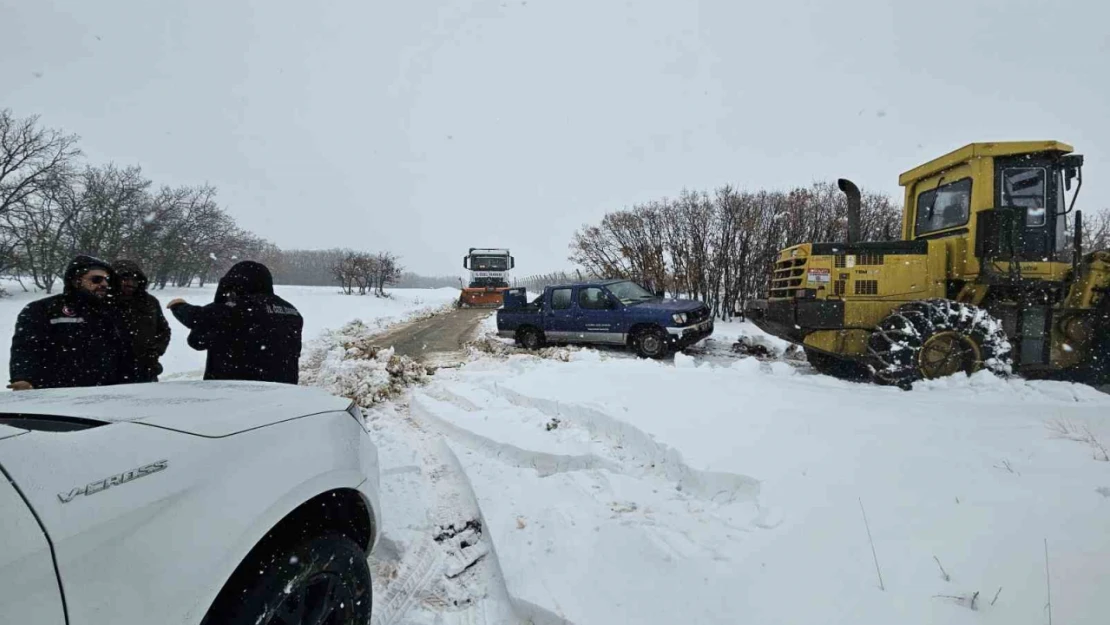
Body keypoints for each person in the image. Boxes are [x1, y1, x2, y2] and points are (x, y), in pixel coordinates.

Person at [8, 255, 134, 390]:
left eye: (106, 280)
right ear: (76, 281)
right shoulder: (43, 309)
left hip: (104, 394)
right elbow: (26, 348)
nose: (104, 284)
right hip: (56, 394)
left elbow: (124, 352)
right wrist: (23, 378)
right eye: (96, 279)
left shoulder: (112, 312)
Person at [167, 261, 303, 384]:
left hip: (237, 391)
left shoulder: (238, 307)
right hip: (284, 390)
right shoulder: (291, 310)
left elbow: (197, 318)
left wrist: (178, 306)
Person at [113, 260, 172, 383]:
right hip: (111, 372)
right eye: (124, 279)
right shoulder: (102, 302)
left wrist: (155, 352)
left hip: (145, 370)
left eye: (134, 280)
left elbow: (164, 330)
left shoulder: (149, 302)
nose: (130, 284)